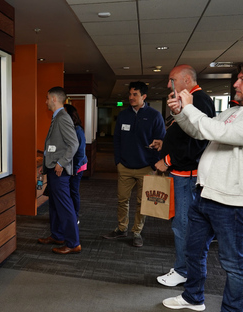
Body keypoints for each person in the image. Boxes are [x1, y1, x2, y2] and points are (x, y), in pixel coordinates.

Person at [162, 59, 243, 311]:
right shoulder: (234, 111)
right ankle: (193, 298)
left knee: (233, 264)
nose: (236, 83)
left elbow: (219, 133)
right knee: (193, 252)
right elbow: (200, 131)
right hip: (205, 194)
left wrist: (189, 107)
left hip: (232, 202)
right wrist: (180, 113)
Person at [153, 65, 215, 287]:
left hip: (187, 174)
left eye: (172, 80)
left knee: (183, 225)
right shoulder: (192, 100)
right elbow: (185, 135)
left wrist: (168, 160)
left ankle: (183, 271)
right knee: (181, 223)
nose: (169, 84)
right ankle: (184, 268)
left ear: (187, 80)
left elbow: (197, 142)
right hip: (182, 173)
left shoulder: (199, 100)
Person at [103, 81, 166, 247]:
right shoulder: (124, 115)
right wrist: (118, 161)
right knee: (122, 199)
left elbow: (162, 141)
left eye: (135, 94)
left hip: (146, 167)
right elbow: (116, 139)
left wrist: (154, 164)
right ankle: (121, 228)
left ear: (144, 96)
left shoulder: (154, 116)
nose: (131, 97)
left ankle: (136, 231)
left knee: (141, 202)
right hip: (124, 166)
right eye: (130, 94)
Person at [38, 86, 80, 254]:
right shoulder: (57, 117)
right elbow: (54, 146)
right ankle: (58, 235)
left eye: (47, 98)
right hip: (52, 167)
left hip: (59, 171)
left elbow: (74, 144)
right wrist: (46, 161)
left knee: (64, 206)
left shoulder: (62, 117)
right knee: (55, 205)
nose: (46, 101)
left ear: (54, 99)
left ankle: (73, 243)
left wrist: (61, 163)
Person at [64, 104, 88, 223]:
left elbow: (80, 151)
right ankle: (69, 215)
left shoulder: (77, 130)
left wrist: (75, 168)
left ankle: (75, 217)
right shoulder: (68, 128)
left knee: (73, 191)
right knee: (68, 191)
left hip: (77, 166)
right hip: (70, 166)